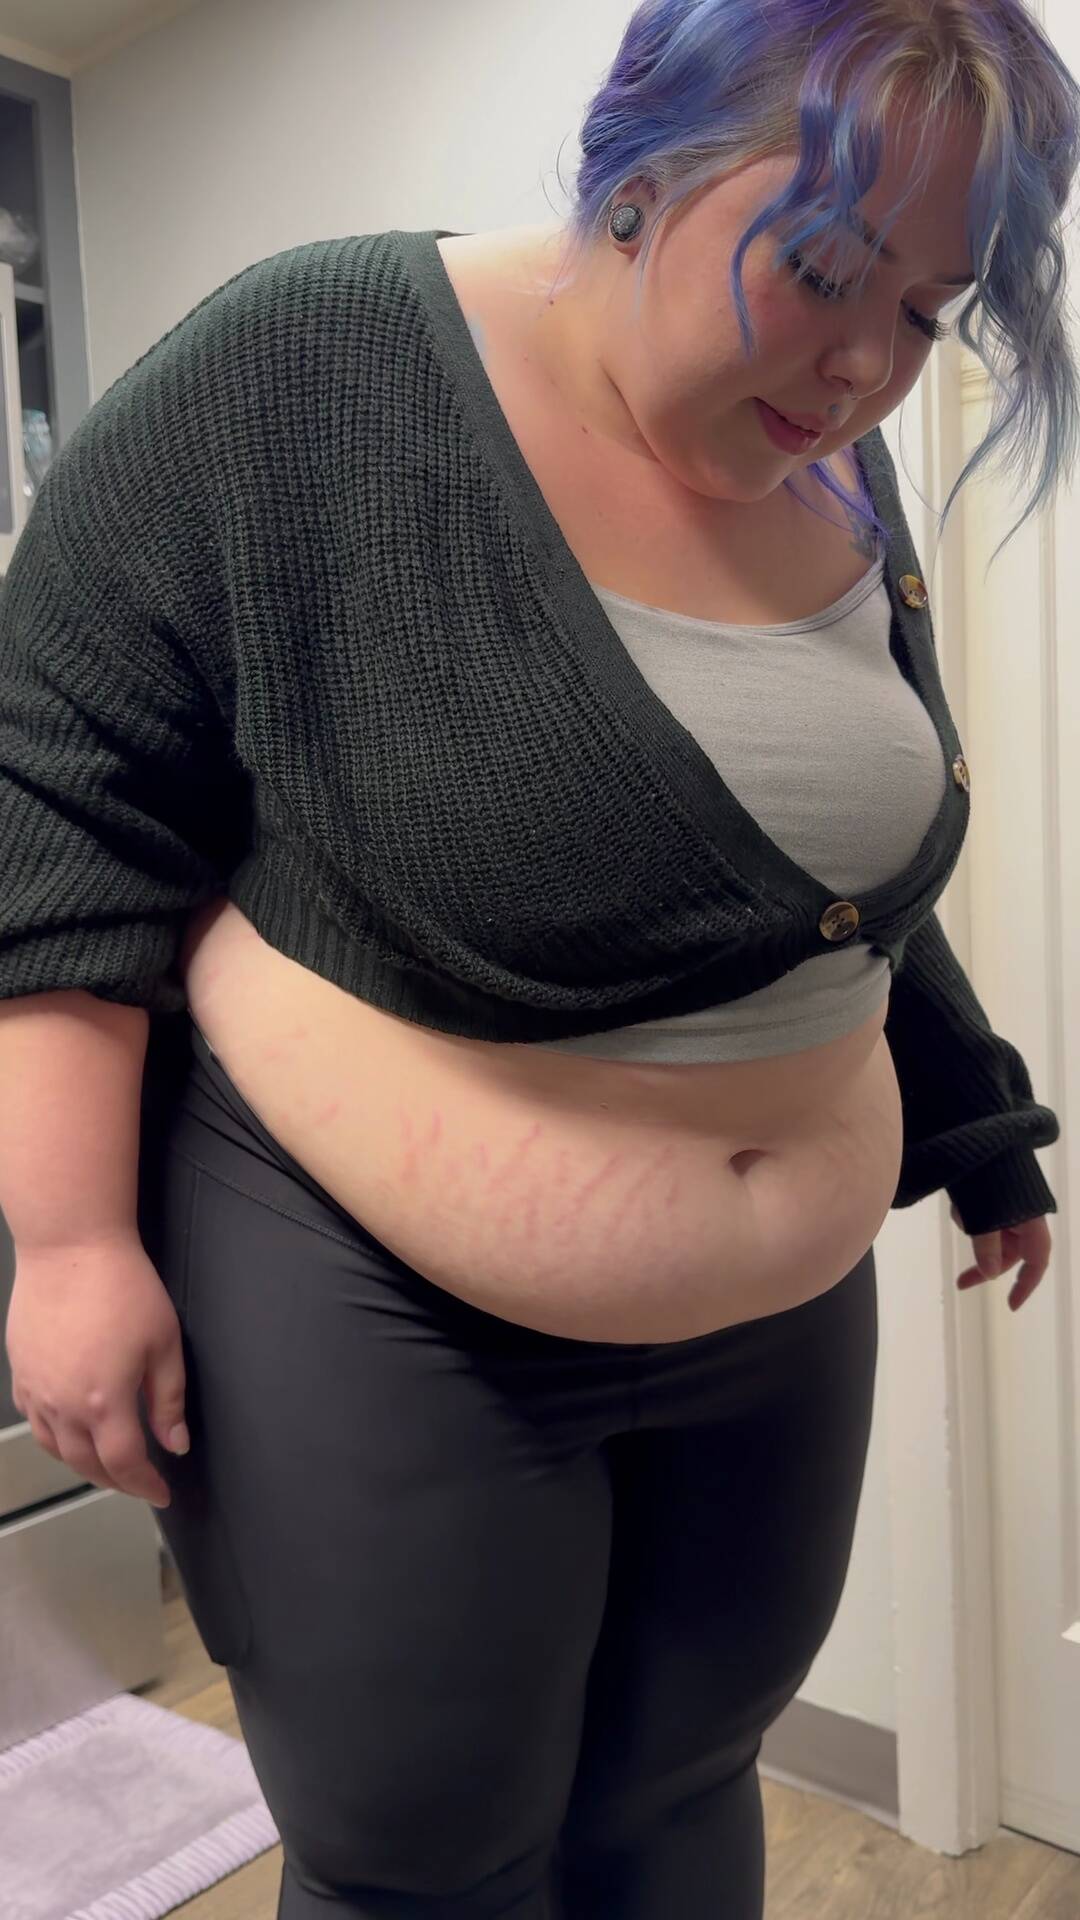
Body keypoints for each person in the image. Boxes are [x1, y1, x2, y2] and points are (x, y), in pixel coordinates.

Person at [0, 0, 1072, 1914]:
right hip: (378, 1301)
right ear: (639, 169)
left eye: (926, 311)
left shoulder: (826, 458)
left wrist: (974, 1118)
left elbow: (828, 869)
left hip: (774, 1324)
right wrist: (72, 1244)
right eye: (825, 268)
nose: (864, 367)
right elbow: (60, 783)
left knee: (680, 1784)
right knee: (425, 1851)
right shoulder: (313, 362)